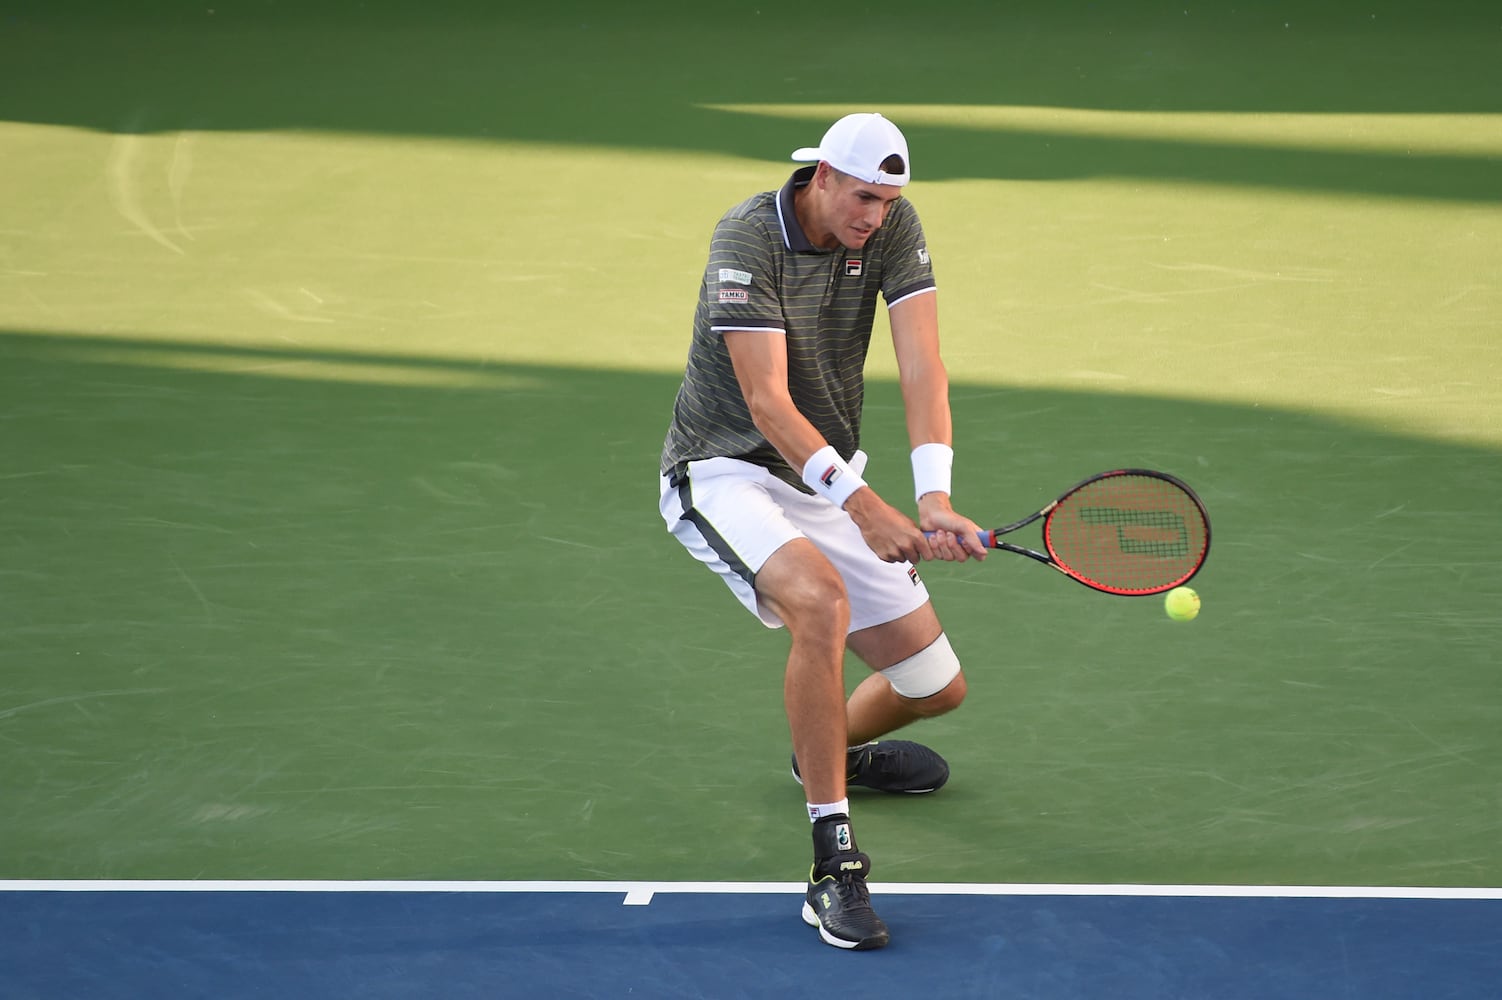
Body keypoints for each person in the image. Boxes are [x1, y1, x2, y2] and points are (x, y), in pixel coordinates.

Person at [657, 112, 986, 951]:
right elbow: (766, 400)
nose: (875, 216)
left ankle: (824, 753)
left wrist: (934, 495)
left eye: (889, 200)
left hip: (822, 472)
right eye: (864, 197)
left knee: (934, 686)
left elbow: (922, 362)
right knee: (820, 603)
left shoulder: (891, 226)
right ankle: (832, 866)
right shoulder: (747, 238)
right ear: (821, 178)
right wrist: (864, 504)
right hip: (725, 467)